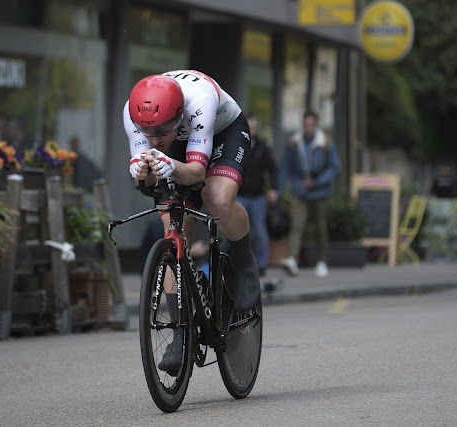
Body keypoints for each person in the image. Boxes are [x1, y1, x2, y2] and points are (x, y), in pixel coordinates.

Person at [125, 71, 260, 374]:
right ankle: (179, 332)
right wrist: (143, 171)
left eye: (161, 130)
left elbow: (197, 172)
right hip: (178, 144)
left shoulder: (200, 102)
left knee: (216, 198)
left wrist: (170, 164)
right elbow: (144, 180)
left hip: (224, 132)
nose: (154, 139)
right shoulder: (135, 114)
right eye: (148, 132)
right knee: (172, 220)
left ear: (179, 114)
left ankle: (243, 259)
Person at [277, 110, 341, 278]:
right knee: (296, 225)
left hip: (319, 192)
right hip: (300, 190)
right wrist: (279, 189)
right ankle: (292, 259)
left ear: (317, 125)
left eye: (311, 125)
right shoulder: (293, 142)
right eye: (306, 125)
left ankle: (321, 261)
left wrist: (318, 181)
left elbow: (335, 168)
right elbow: (285, 168)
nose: (308, 128)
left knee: (320, 227)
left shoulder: (326, 143)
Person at [236, 114, 278, 277]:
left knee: (259, 232)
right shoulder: (237, 145)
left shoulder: (263, 148)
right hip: (239, 195)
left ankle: (261, 265)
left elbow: (273, 169)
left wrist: (273, 188)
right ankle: (237, 263)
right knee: (237, 230)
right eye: (249, 126)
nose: (251, 130)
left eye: (253, 127)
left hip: (258, 197)